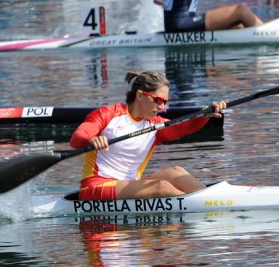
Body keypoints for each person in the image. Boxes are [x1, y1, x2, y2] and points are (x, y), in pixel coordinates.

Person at [69, 71, 226, 200]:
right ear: (140, 95)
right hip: (96, 187)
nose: (162, 107)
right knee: (160, 186)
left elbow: (185, 126)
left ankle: (214, 200)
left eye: (165, 102)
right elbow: (77, 138)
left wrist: (205, 114)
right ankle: (204, 206)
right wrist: (92, 139)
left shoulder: (155, 125)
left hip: (128, 184)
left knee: (176, 172)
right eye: (158, 100)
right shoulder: (107, 114)